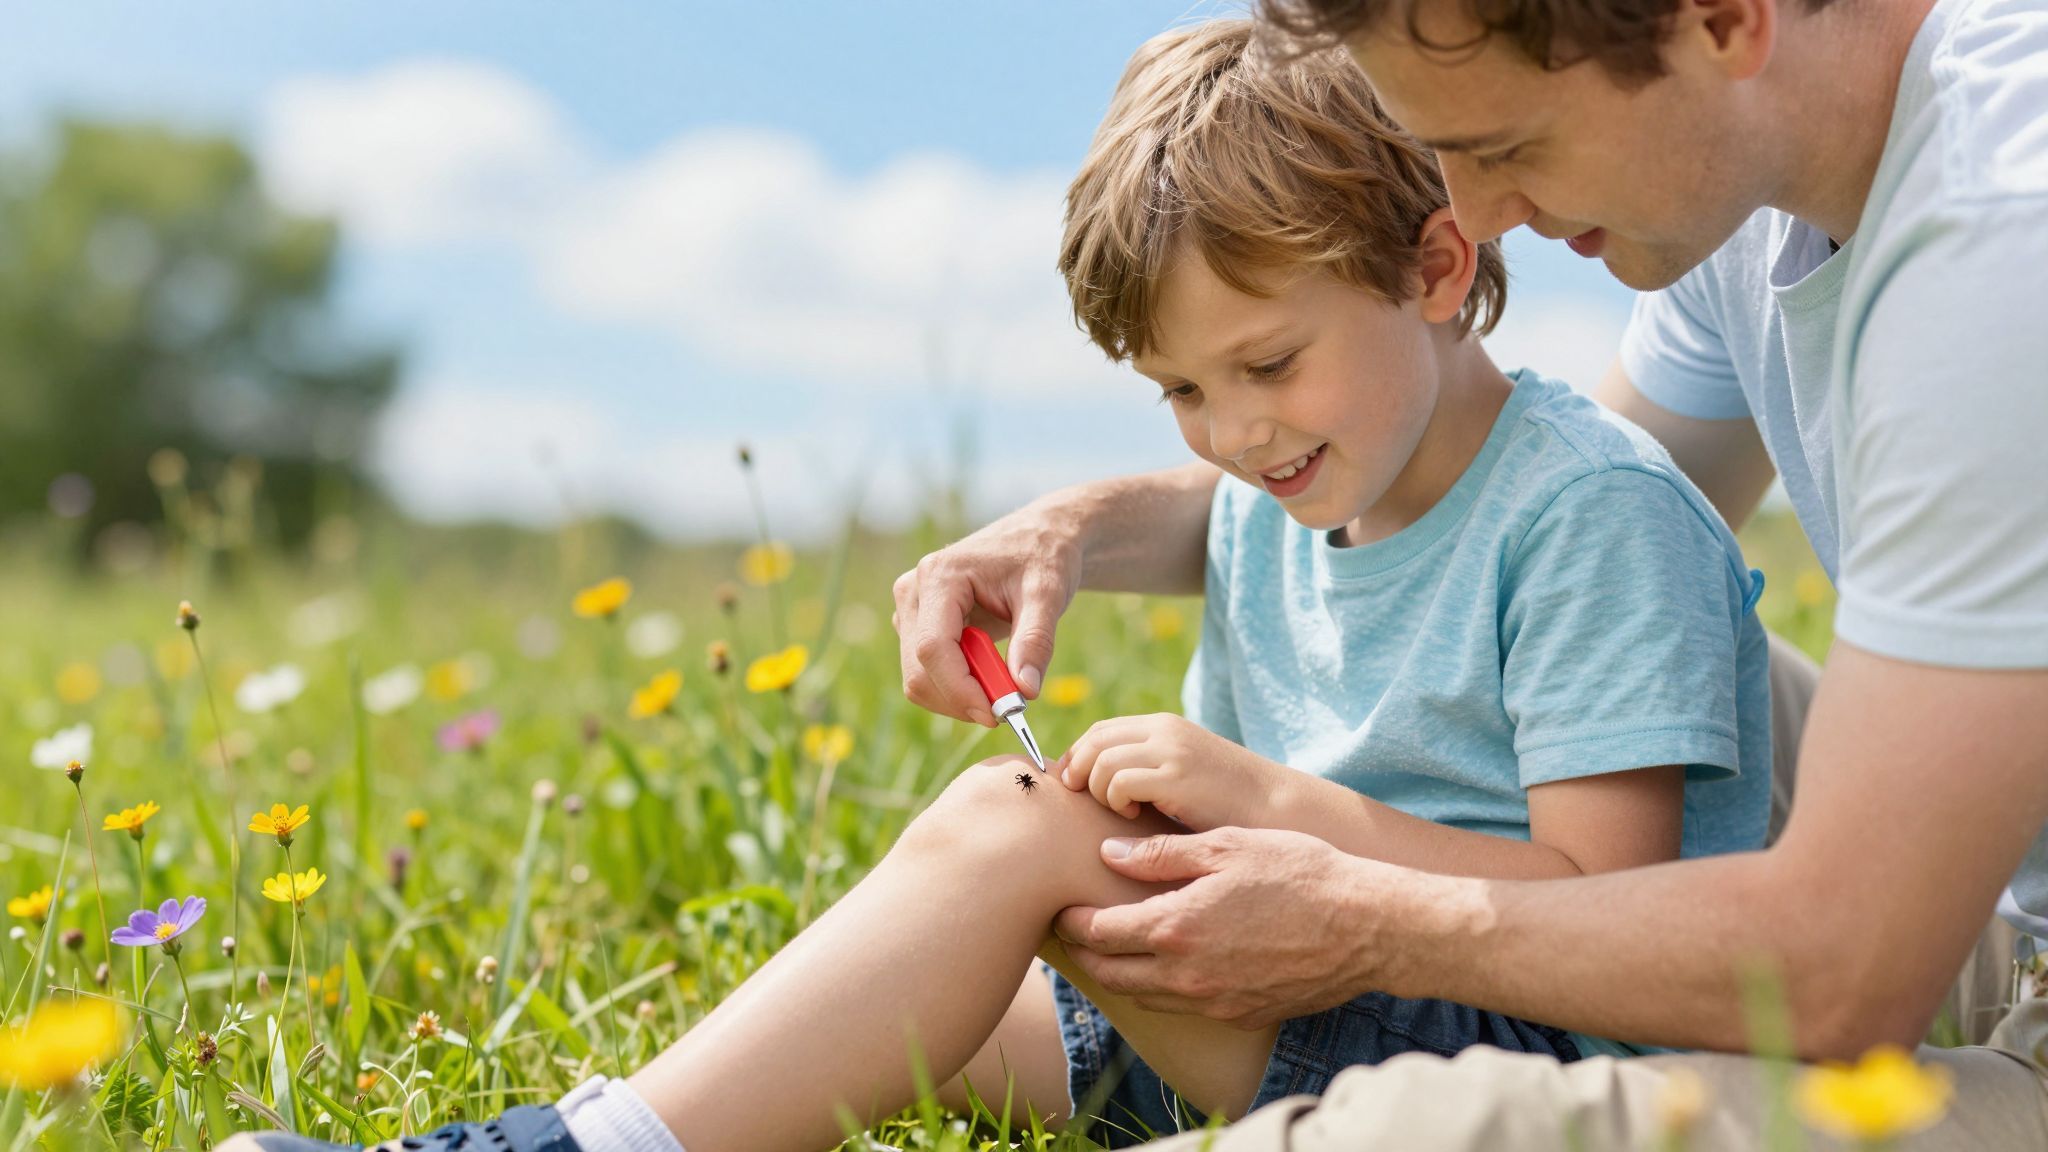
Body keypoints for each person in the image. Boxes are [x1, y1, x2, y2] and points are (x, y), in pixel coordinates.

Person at [237, 18, 1775, 1152]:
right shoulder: (1289, 483)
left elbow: (1611, 909)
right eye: (1181, 391)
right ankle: (617, 1124)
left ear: (1439, 272)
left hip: (1522, 1050)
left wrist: (1267, 802)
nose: (1236, 433)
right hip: (1307, 995)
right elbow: (1220, 512)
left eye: (1268, 363)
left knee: (1002, 832)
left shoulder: (1586, 516)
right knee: (900, 1017)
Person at [893, 0, 2048, 1147]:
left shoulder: (2001, 245)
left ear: (1719, 21)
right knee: (1627, 644)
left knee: (1413, 1131)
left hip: (1882, 969)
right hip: (1986, 891)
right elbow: (1508, 509)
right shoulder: (1749, 186)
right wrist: (1073, 528)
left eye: (1505, 145)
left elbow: (1840, 973)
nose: (1470, 213)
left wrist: (1355, 906)